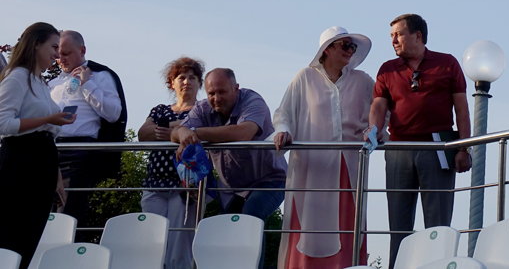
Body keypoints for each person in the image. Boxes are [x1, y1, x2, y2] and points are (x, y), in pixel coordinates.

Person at [367, 14, 472, 269]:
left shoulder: (447, 63)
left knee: (438, 224)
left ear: (418, 36)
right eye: (391, 36)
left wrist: (463, 148)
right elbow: (378, 106)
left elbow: (462, 109)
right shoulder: (387, 69)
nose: (394, 40)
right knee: (398, 224)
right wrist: (373, 129)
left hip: (437, 147)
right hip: (399, 149)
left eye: (398, 34)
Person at [272, 26, 377, 269]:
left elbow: (381, 111)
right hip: (311, 170)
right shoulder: (304, 78)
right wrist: (283, 130)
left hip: (348, 169)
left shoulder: (362, 81)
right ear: (327, 50)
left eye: (353, 46)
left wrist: (373, 130)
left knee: (348, 226)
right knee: (307, 227)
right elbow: (283, 113)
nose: (350, 51)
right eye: (345, 45)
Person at [172, 69, 287, 269]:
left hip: (269, 179)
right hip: (230, 187)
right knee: (227, 232)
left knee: (251, 217)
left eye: (222, 92)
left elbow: (244, 132)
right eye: (211, 93)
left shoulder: (253, 100)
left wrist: (194, 132)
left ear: (236, 89)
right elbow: (177, 131)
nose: (216, 98)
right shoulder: (201, 108)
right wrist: (183, 133)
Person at [0, 23, 76, 269]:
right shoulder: (17, 76)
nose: (56, 54)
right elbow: (3, 123)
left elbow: (46, 135)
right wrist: (47, 119)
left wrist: (56, 176)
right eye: (53, 47)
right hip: (21, 160)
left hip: (42, 161)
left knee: (30, 233)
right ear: (36, 45)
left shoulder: (40, 82)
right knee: (13, 232)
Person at [48, 30, 126, 231]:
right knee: (44, 216)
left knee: (67, 214)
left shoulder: (101, 76)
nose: (60, 59)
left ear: (82, 50)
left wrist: (87, 85)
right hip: (49, 150)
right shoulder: (52, 83)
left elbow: (113, 114)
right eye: (58, 54)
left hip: (79, 152)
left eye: (66, 53)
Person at [137, 57, 205, 269]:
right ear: (172, 83)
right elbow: (143, 134)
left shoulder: (203, 109)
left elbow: (199, 130)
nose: (186, 82)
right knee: (150, 243)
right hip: (155, 184)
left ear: (199, 83)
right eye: (181, 77)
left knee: (179, 246)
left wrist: (168, 130)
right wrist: (176, 130)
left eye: (192, 78)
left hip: (185, 185)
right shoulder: (159, 109)